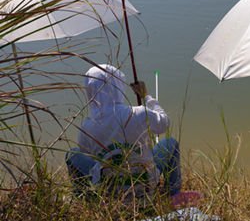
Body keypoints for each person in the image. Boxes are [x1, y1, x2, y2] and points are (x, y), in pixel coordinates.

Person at [66, 64, 182, 201]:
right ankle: (173, 194)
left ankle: (85, 197)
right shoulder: (139, 113)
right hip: (146, 188)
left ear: (90, 91)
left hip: (110, 192)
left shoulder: (87, 125)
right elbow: (164, 124)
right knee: (171, 143)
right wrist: (147, 97)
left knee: (73, 154)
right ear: (119, 86)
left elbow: (88, 154)